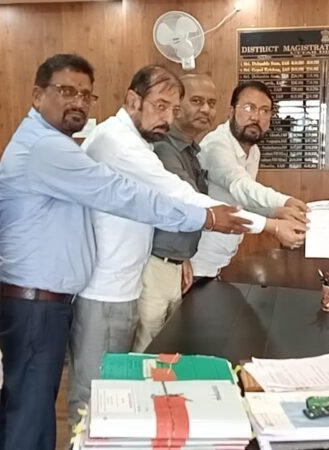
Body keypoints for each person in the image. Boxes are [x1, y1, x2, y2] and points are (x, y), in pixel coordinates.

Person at [0, 54, 248, 450]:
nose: (77, 102)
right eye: (66, 91)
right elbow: (124, 195)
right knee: (42, 411)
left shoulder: (59, 143)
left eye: (85, 94)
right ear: (37, 95)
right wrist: (207, 217)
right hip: (37, 303)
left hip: (49, 300)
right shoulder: (49, 148)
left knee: (34, 410)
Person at [68, 65, 306, 424]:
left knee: (126, 381)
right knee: (96, 391)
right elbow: (180, 196)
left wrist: (185, 257)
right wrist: (269, 224)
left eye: (173, 108)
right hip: (104, 285)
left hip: (126, 281)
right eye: (161, 106)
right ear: (133, 100)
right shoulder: (118, 143)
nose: (168, 117)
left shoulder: (142, 141)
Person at [132, 74, 218, 353]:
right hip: (154, 264)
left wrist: (183, 257)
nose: (206, 109)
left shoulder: (191, 150)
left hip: (175, 264)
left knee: (168, 348)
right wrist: (268, 225)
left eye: (211, 103)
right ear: (177, 107)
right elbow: (188, 201)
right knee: (148, 348)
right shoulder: (163, 148)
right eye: (197, 101)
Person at [191, 80, 310, 281]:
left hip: (222, 259)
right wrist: (284, 203)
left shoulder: (253, 151)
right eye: (249, 108)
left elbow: (243, 201)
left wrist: (276, 212)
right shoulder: (216, 146)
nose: (256, 117)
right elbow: (241, 186)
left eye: (265, 110)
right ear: (231, 111)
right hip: (197, 261)